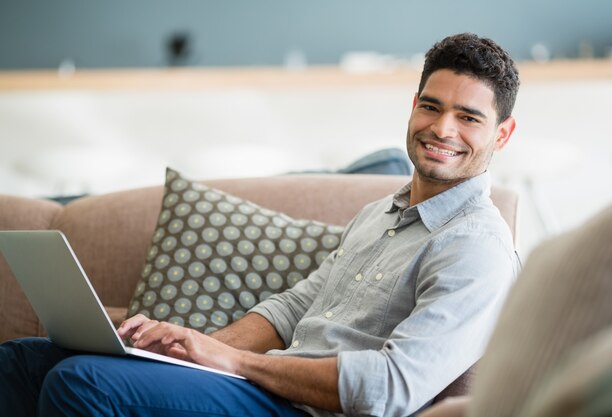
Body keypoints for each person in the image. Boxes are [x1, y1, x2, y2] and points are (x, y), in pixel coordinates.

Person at [0, 32, 521, 417]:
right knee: (23, 360)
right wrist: (193, 349)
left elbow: (388, 388)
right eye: (431, 106)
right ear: (413, 107)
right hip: (263, 391)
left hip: (303, 409)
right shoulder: (381, 214)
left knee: (83, 382)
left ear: (502, 134)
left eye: (469, 117)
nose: (442, 128)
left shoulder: (478, 249)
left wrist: (234, 362)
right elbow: (294, 307)